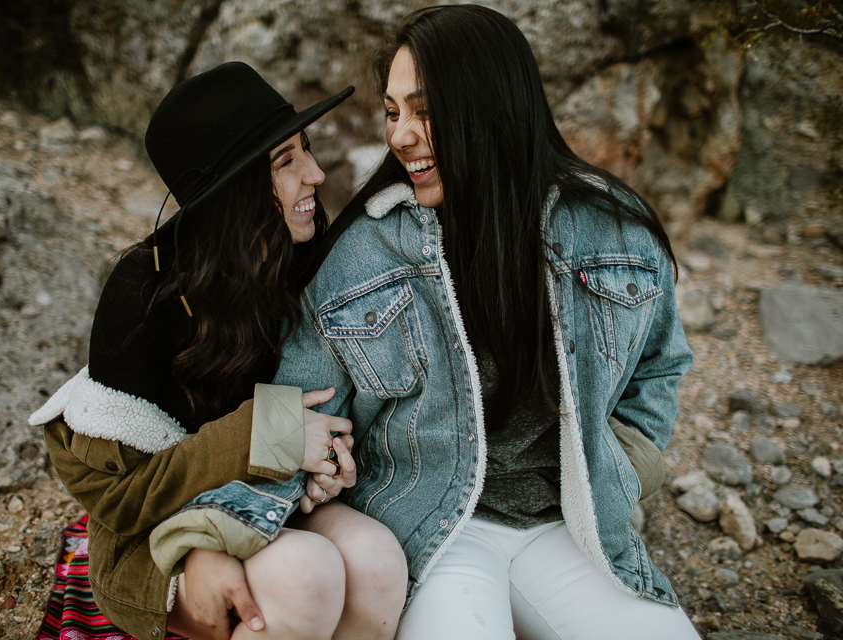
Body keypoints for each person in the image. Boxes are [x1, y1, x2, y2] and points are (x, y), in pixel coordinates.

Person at [153, 5, 701, 639]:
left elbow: (661, 366)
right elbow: (286, 403)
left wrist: (624, 469)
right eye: (392, 113)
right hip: (433, 530)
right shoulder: (363, 253)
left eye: (425, 110)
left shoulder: (613, 228)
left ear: (494, 105)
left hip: (570, 528)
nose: (401, 136)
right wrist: (225, 530)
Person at [29, 62, 408, 640]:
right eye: (285, 162)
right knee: (305, 576)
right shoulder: (144, 295)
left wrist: (326, 465)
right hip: (153, 534)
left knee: (377, 561)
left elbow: (319, 416)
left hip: (268, 502)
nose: (315, 172)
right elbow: (120, 497)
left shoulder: (299, 256)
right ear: (234, 191)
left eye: (305, 149)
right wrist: (270, 435)